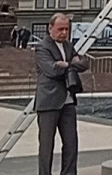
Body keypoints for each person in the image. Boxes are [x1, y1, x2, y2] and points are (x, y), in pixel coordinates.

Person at [35, 13, 89, 175]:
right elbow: (51, 70)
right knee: (46, 146)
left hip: (68, 102)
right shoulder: (42, 47)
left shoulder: (68, 46)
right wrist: (71, 64)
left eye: (67, 29)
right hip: (49, 102)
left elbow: (84, 63)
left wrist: (65, 64)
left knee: (71, 143)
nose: (64, 33)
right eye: (60, 29)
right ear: (50, 28)